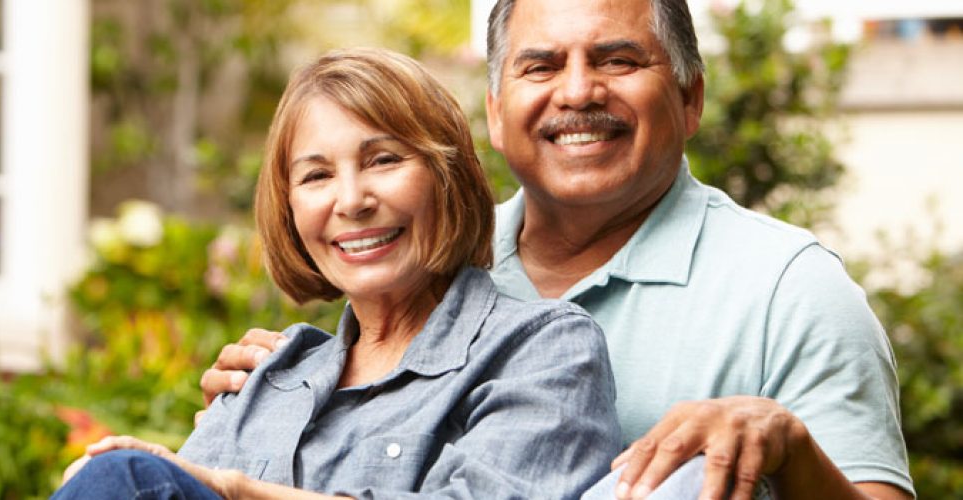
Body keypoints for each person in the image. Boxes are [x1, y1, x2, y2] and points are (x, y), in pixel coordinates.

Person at [200, 1, 915, 499]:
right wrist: (284, 399)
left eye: (618, 59)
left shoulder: (788, 289)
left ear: (691, 97)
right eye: (540, 67)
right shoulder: (423, 263)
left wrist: (787, 447)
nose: (578, 91)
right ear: (494, 111)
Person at [54, 47, 621, 499]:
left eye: (384, 160)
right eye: (317, 175)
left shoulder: (545, 347)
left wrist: (236, 489)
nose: (351, 200)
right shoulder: (265, 379)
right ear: (290, 210)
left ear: (448, 177)